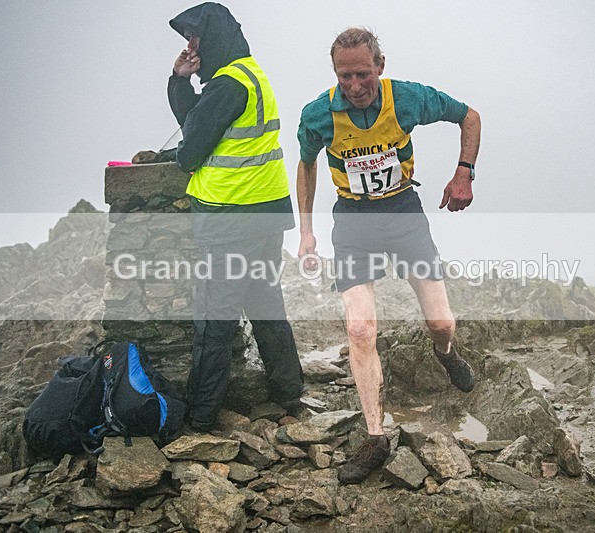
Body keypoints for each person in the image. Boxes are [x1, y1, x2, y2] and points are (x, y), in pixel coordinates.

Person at [296, 28, 481, 484]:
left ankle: (446, 352)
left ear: (380, 66)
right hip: (353, 222)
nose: (354, 86)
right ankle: (375, 436)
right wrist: (306, 232)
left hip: (403, 213)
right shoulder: (318, 114)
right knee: (359, 328)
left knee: (441, 322)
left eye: (362, 74)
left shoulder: (409, 99)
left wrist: (464, 175)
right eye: (345, 77)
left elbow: (470, 116)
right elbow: (305, 164)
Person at [167, 3, 303, 431]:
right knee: (266, 304)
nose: (192, 46)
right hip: (267, 212)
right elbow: (203, 127)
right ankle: (289, 393)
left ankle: (201, 417)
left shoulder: (226, 86)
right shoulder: (251, 73)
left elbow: (191, 150)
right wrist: (181, 79)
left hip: (231, 219)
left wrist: (177, 83)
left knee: (215, 319)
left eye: (197, 38)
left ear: (215, 39)